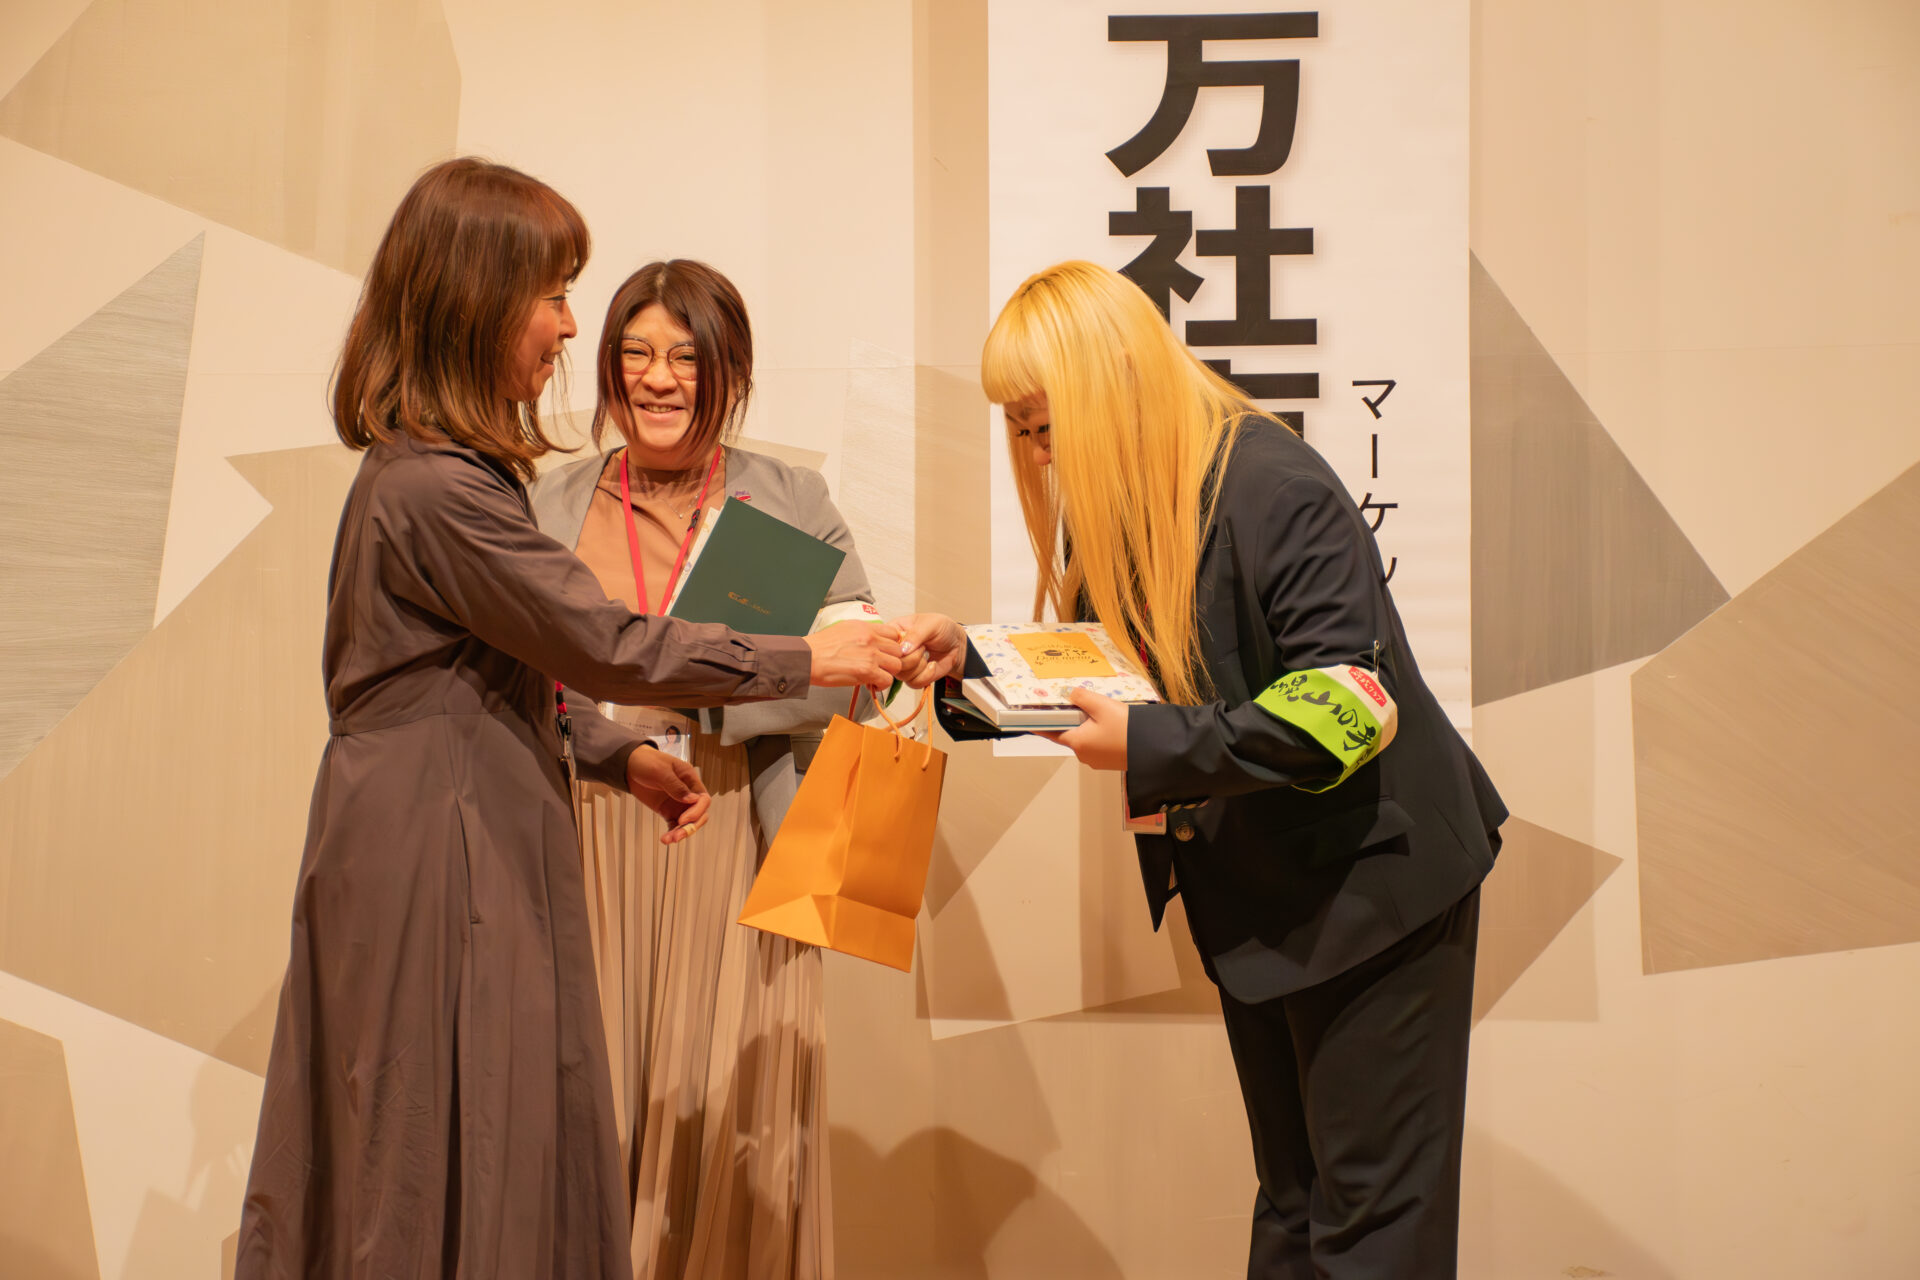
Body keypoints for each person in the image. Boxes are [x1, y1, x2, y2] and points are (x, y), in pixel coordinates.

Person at [235, 161, 900, 1280]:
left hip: (500, 827)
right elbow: (600, 643)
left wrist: (612, 749)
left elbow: (493, 676)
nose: (569, 328)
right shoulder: (444, 488)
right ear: (478, 302)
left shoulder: (447, 477)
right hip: (441, 847)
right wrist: (805, 653)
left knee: (482, 1131)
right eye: (553, 296)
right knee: (435, 1138)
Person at [901, 261, 1507, 1279]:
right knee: (1296, 1203)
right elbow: (1112, 664)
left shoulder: (1276, 487)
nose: (1038, 452)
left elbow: (1346, 708)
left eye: (1048, 424)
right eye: (1022, 428)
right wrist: (972, 660)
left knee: (1370, 1226)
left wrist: (1149, 748)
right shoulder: (1129, 498)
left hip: (1375, 887)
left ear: (1116, 384)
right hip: (1261, 894)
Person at [529, 259, 887, 1279]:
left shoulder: (788, 500)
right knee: (589, 1104)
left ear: (728, 370)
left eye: (686, 357)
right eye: (635, 353)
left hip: (739, 829)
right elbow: (512, 674)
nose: (658, 378)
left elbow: (858, 677)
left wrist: (713, 694)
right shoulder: (547, 504)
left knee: (734, 1113)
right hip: (586, 826)